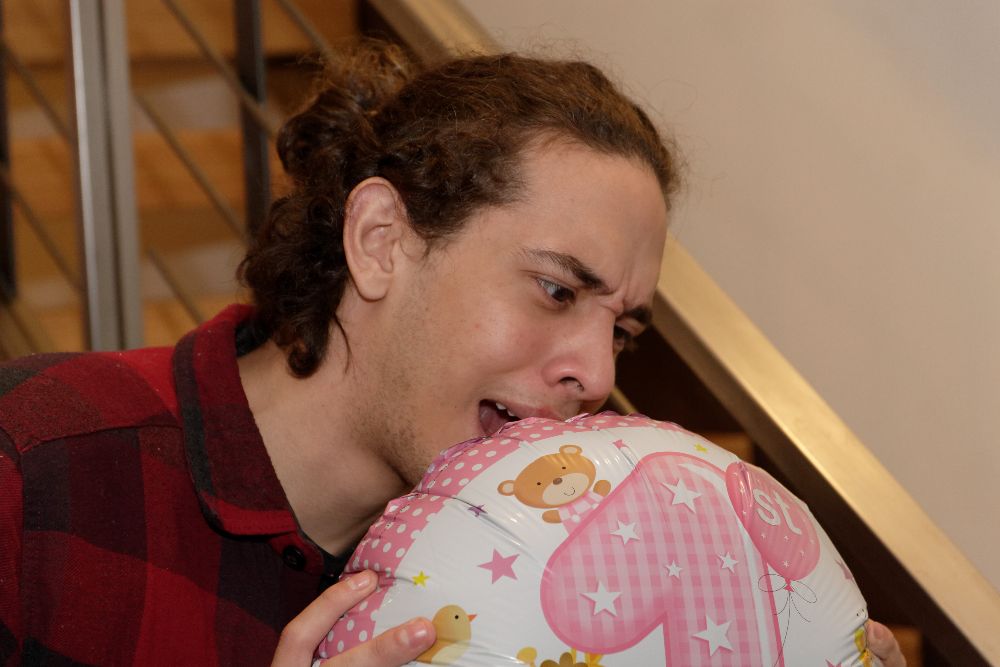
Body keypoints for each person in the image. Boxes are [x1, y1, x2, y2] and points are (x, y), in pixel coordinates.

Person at [0, 41, 903, 666]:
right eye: (557, 289)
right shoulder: (35, 465)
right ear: (382, 242)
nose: (598, 375)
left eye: (623, 330)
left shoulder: (527, 590)